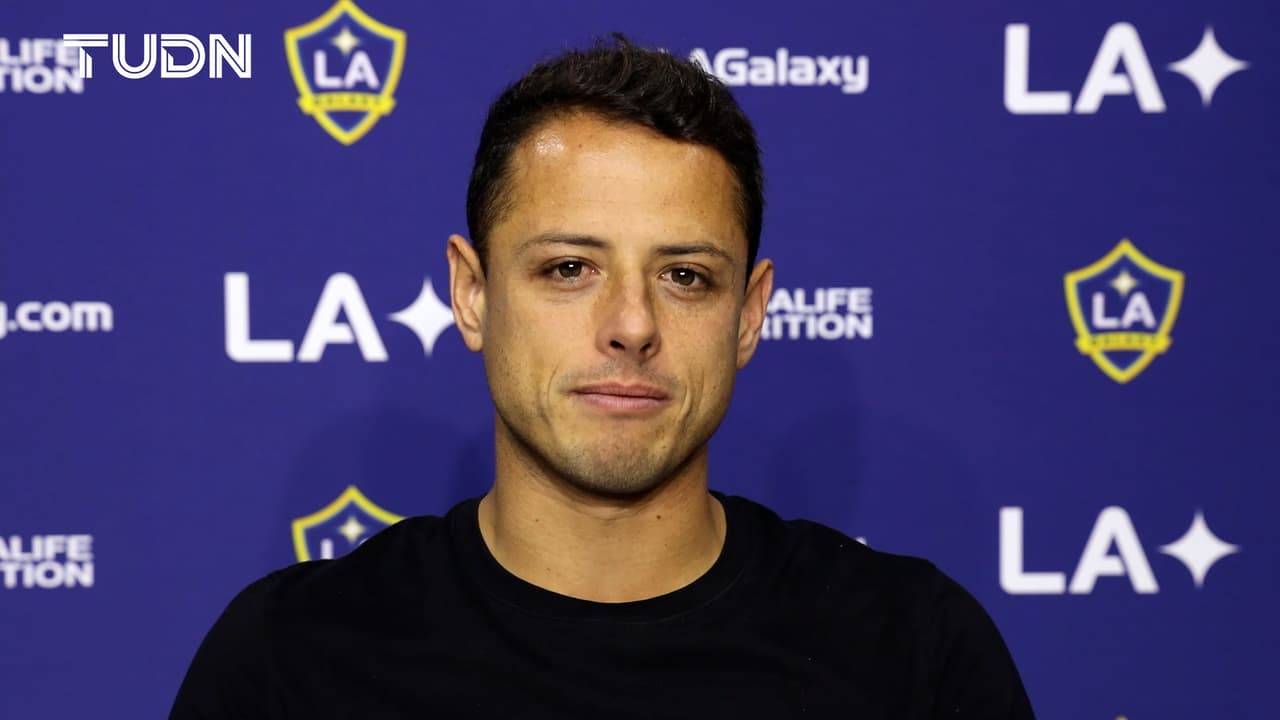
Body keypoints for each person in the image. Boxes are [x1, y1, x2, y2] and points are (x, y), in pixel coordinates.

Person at [171, 37, 1035, 718]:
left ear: (748, 315)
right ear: (471, 295)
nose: (632, 324)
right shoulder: (292, 658)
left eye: (685, 276)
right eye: (569, 269)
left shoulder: (913, 653)